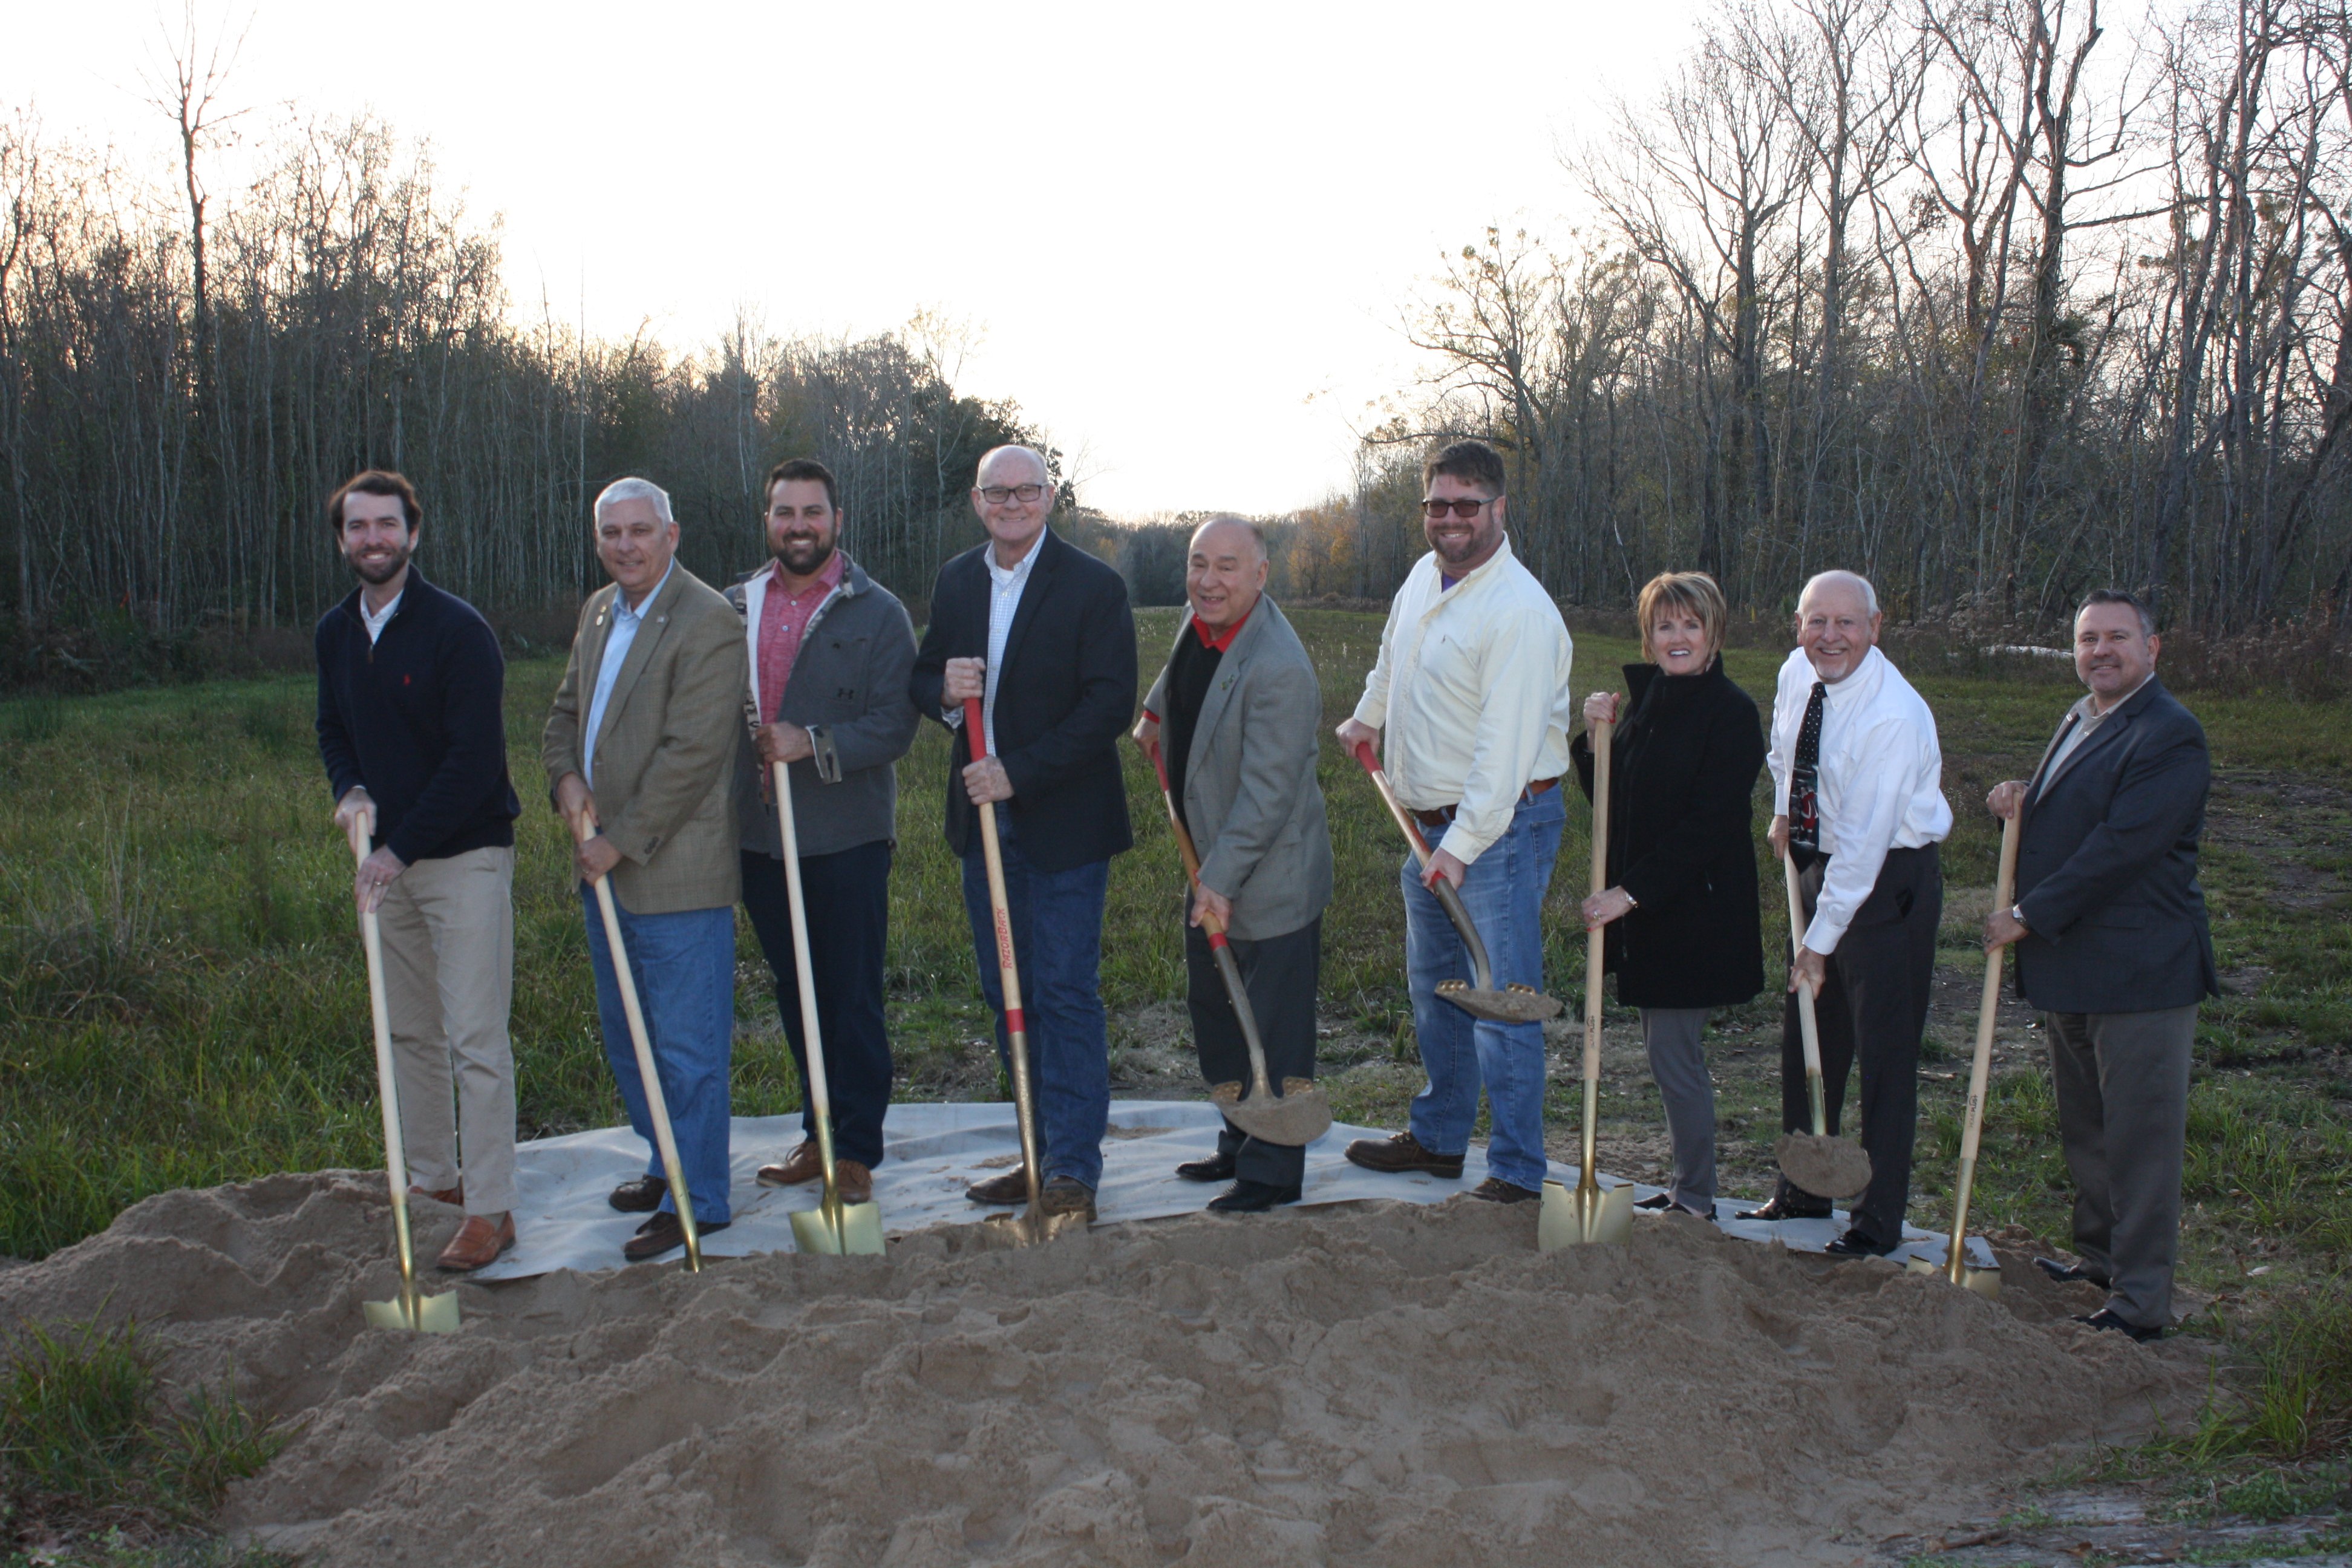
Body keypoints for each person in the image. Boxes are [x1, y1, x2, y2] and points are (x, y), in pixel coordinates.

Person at [1334, 439, 1577, 1203]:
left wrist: (1463, 848)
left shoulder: (1519, 614)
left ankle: (1517, 1172)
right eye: (1437, 504)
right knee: (1438, 991)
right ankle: (1440, 1138)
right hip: (1428, 825)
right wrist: (1368, 715)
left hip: (1500, 827)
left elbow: (1504, 756)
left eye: (1466, 505)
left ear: (1499, 509)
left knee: (1501, 1001)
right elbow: (1393, 658)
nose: (1450, 519)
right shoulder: (1423, 577)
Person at [909, 445, 1138, 1225]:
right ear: (977, 501)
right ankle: (1036, 1152)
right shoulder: (957, 581)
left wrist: (1019, 771)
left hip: (1063, 822)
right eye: (997, 492)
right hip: (982, 823)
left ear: (1050, 496)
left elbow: (1108, 705)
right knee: (1007, 988)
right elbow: (924, 676)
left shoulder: (1094, 586)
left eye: (1026, 490)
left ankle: (1072, 1168)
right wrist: (944, 692)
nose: (1012, 503)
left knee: (1064, 992)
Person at [1984, 589, 2218, 1342]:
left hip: (2141, 971)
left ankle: (2141, 1301)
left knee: (2140, 1142)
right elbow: (2079, 810)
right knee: (2088, 1128)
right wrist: (2025, 800)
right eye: (2089, 639)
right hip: (2076, 965)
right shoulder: (2083, 716)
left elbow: (2123, 847)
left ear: (2153, 648)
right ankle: (2101, 1261)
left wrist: (2026, 915)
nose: (2101, 651)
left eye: (2118, 637)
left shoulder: (2170, 733)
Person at [314, 469, 523, 1273]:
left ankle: (491, 1208)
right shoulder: (336, 632)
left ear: (413, 533)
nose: (373, 539)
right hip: (387, 866)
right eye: (358, 526)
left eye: (386, 525)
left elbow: (475, 763)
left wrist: (398, 851)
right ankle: (435, 1180)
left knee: (475, 1036)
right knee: (409, 1032)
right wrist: (349, 790)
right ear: (343, 539)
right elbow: (333, 727)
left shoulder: (458, 631)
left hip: (464, 857)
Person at [542, 477, 748, 1263]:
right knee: (630, 1039)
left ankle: (701, 1200)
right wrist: (565, 780)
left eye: (639, 530)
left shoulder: (707, 619)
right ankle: (666, 1165)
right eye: (611, 533)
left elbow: (691, 754)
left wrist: (617, 841)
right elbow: (565, 714)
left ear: (672, 534)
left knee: (688, 1049)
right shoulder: (600, 612)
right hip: (603, 868)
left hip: (672, 870)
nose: (625, 545)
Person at [728, 458, 919, 1203]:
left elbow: (894, 725)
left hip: (846, 837)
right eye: (785, 512)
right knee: (794, 990)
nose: (799, 526)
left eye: (813, 512)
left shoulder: (878, 612)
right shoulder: (735, 608)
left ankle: (857, 1149)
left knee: (850, 995)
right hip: (760, 838)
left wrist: (810, 742)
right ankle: (818, 1134)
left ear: (837, 521)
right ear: (768, 522)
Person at [1132, 517, 1334, 1213]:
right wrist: (1154, 714)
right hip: (1210, 860)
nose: (1208, 581)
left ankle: (1272, 1173)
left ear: (1260, 574)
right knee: (1217, 1014)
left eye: (1226, 566)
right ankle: (1238, 1138)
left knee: (1270, 1029)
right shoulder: (1201, 622)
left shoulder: (1280, 668)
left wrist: (1217, 882)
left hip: (1268, 875)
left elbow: (1268, 796)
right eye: (1199, 564)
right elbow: (1181, 676)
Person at [1746, 570, 1950, 1256]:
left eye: (1847, 623)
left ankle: (1875, 1219)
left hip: (1887, 882)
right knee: (1809, 1027)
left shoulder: (1893, 716)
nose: (1830, 637)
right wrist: (1784, 811)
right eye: (1817, 621)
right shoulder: (1796, 672)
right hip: (1815, 859)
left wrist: (1819, 943)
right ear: (1799, 625)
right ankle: (1805, 1185)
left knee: (1884, 1051)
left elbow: (1864, 849)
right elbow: (1785, 748)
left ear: (1875, 627)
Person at [1571, 570, 1765, 1220]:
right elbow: (1614, 803)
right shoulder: (1649, 702)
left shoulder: (1731, 713)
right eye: (1664, 625)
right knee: (1666, 1054)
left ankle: (1696, 1198)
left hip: (1696, 914)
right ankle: (1689, 1186)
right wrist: (1594, 739)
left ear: (1714, 633)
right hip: (1652, 912)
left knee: (1674, 1056)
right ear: (1648, 636)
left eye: (1690, 624)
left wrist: (1629, 894)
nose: (1677, 637)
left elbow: (1709, 826)